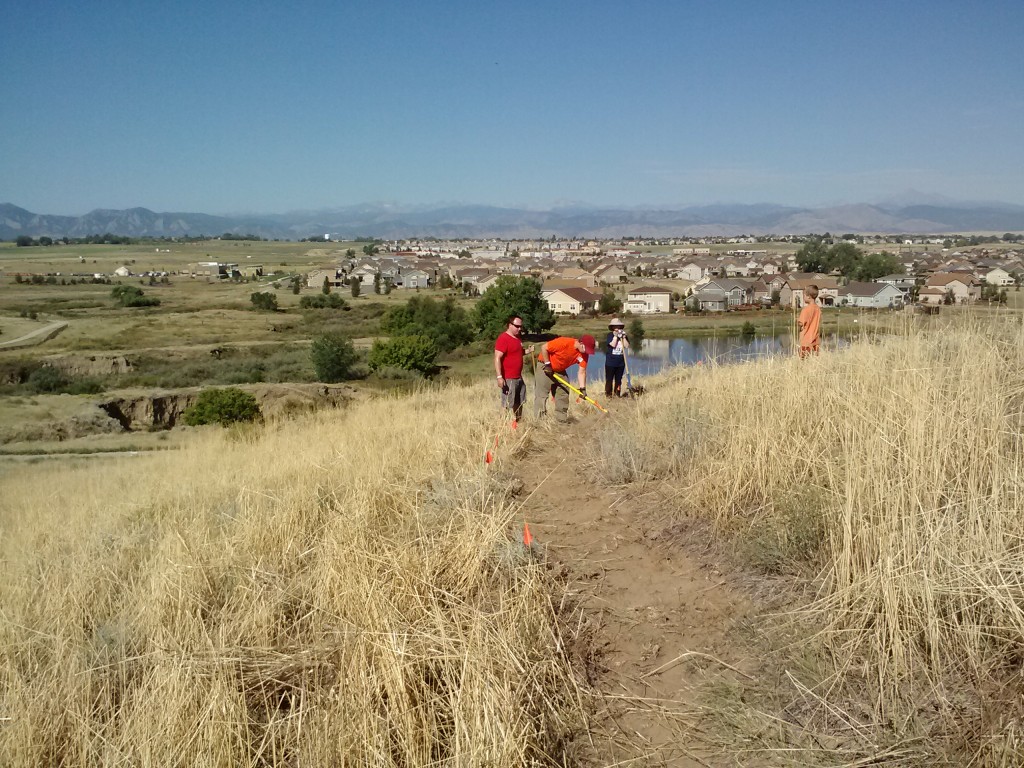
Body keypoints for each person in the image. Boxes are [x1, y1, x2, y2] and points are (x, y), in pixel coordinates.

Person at [534, 334, 596, 422]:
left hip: (560, 370)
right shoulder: (564, 342)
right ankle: (539, 421)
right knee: (542, 395)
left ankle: (561, 420)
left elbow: (582, 371)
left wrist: (583, 389)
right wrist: (547, 364)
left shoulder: (584, 355)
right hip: (545, 366)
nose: (587, 352)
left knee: (564, 392)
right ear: (580, 343)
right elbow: (544, 347)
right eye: (586, 349)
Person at [494, 315, 526, 420]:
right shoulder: (503, 338)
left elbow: (518, 353)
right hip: (508, 378)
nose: (519, 329)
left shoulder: (517, 339)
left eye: (521, 326)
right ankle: (502, 426)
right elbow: (497, 357)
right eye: (517, 326)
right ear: (509, 325)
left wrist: (528, 351)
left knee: (519, 402)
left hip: (518, 377)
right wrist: (499, 377)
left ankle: (518, 423)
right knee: (507, 404)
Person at [604, 318, 629, 397]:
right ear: (612, 327)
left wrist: (624, 337)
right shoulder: (610, 335)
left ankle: (617, 394)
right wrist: (615, 337)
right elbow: (612, 345)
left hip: (621, 362)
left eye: (618, 326)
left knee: (618, 380)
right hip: (610, 362)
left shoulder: (623, 335)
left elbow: (626, 346)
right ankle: (608, 395)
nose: (617, 328)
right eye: (615, 326)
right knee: (609, 379)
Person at [798, 284, 821, 359]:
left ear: (808, 296)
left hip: (806, 341)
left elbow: (801, 323)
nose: (803, 297)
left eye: (804, 295)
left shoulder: (805, 310)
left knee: (803, 361)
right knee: (814, 362)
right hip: (816, 341)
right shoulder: (818, 309)